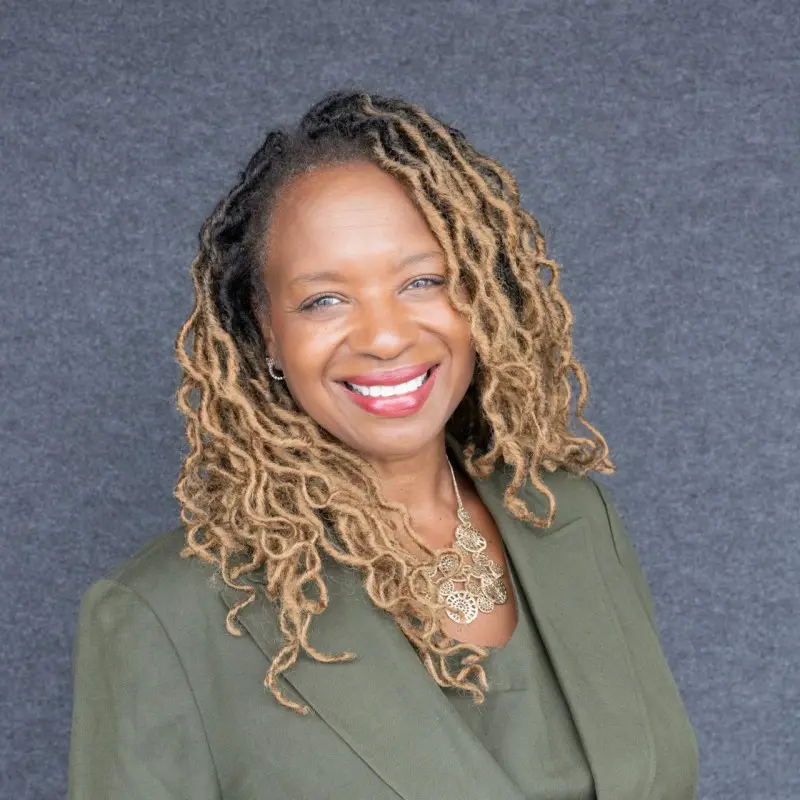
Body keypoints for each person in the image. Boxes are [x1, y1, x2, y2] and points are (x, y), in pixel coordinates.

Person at [67, 89, 700, 800]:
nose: (386, 335)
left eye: (423, 281)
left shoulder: (573, 518)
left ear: (480, 298)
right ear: (268, 328)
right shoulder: (165, 616)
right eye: (324, 300)